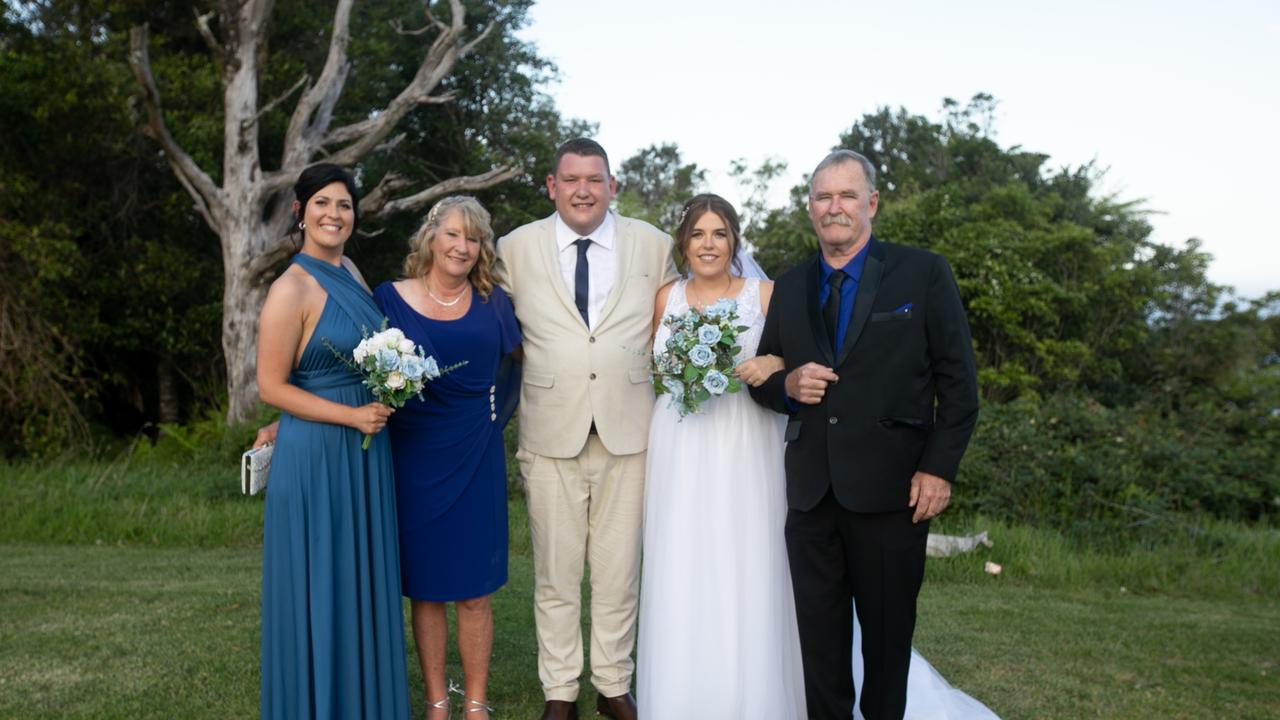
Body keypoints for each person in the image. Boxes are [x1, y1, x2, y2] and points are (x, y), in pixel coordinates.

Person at [748, 150, 981, 720]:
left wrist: (939, 468)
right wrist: (787, 384)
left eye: (847, 196)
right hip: (811, 495)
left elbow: (959, 383)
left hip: (892, 490)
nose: (835, 208)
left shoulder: (922, 272)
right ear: (810, 208)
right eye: (824, 197)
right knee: (819, 650)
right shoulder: (792, 284)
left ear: (871, 203)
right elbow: (761, 376)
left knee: (885, 645)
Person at [495, 138, 678, 720]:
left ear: (612, 186)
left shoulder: (653, 244)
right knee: (555, 571)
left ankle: (613, 684)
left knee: (619, 571)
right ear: (552, 186)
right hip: (550, 430)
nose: (582, 190)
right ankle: (560, 691)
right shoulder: (514, 247)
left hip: (630, 430)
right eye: (570, 179)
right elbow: (488, 325)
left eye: (594, 180)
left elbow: (683, 317)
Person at [636, 194, 804, 718]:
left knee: (748, 553)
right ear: (683, 242)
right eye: (698, 234)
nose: (708, 245)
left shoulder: (766, 294)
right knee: (684, 555)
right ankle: (686, 692)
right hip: (682, 441)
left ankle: (753, 691)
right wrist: (682, 371)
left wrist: (771, 358)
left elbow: (796, 357)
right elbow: (654, 370)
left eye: (719, 234)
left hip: (746, 438)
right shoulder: (667, 298)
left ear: (734, 240)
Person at [255, 163, 410, 719]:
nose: (333, 214)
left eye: (343, 205)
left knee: (359, 580)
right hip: (320, 455)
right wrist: (347, 417)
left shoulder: (353, 271)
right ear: (300, 212)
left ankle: (364, 702)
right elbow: (270, 384)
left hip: (364, 451)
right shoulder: (289, 288)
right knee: (320, 581)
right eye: (321, 203)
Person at [373, 196, 521, 719]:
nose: (462, 246)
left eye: (473, 238)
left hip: (475, 455)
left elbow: (516, 367)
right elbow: (354, 369)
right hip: (413, 455)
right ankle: (438, 701)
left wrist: (493, 416)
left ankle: (476, 703)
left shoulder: (493, 302)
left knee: (475, 591)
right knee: (427, 589)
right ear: (431, 237)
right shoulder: (388, 297)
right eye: (453, 234)